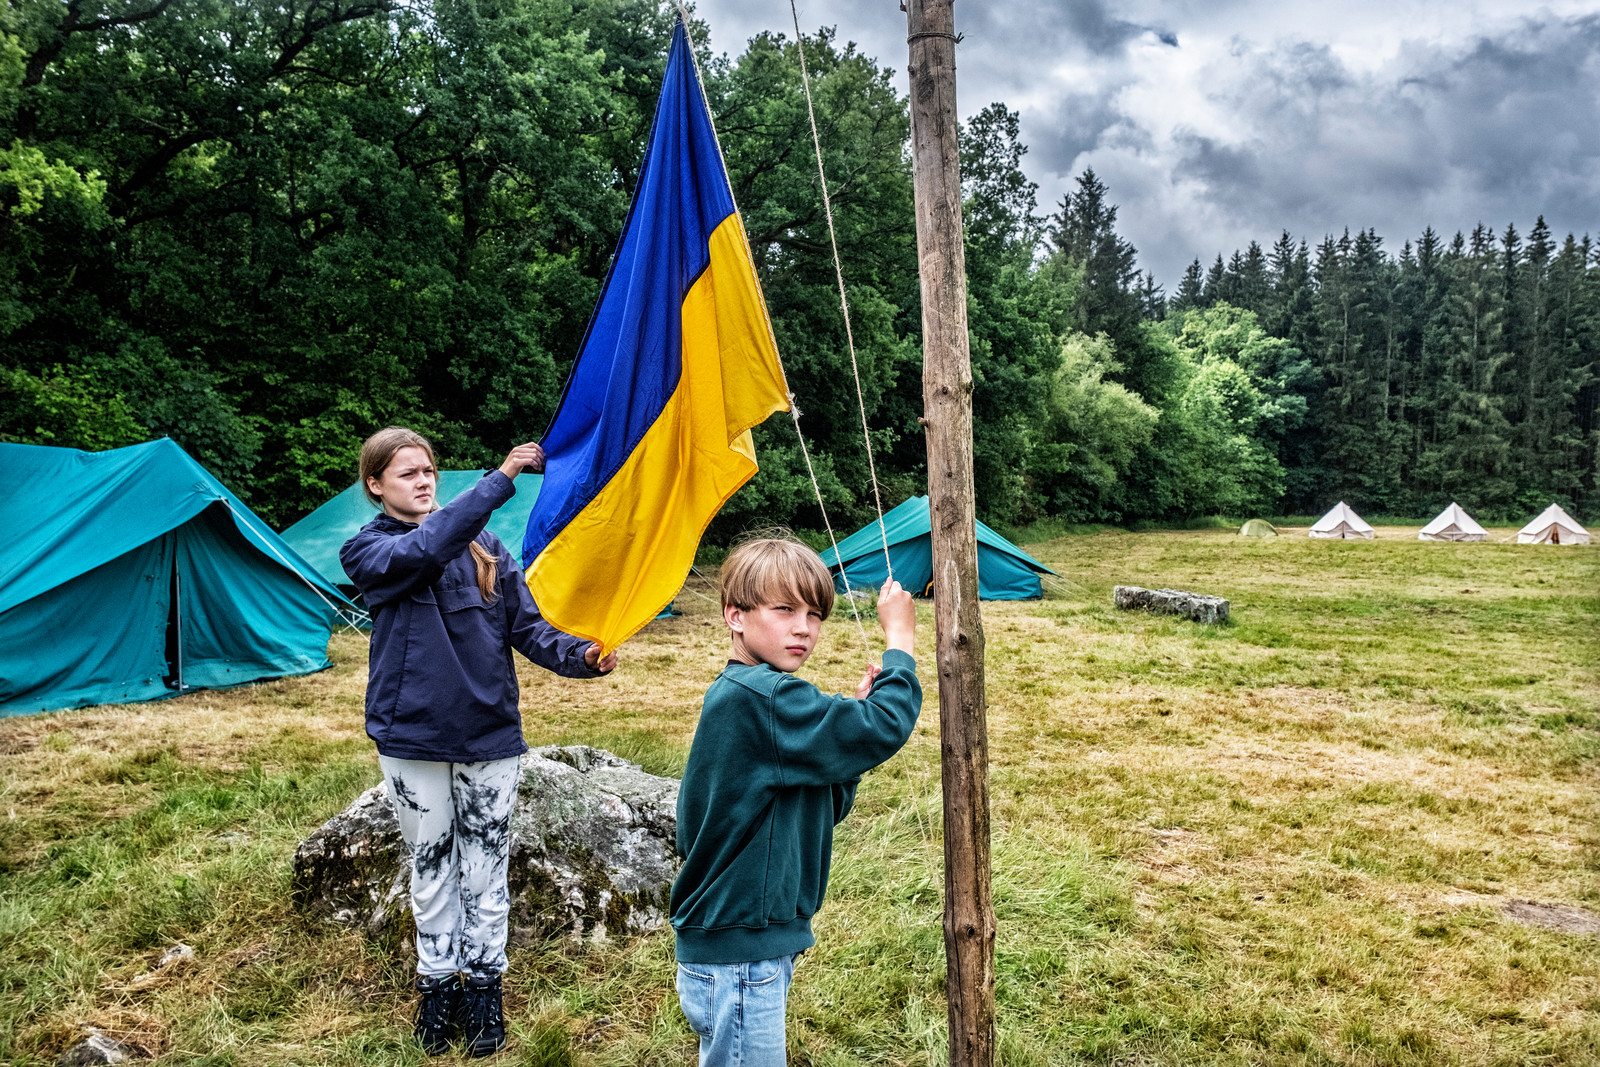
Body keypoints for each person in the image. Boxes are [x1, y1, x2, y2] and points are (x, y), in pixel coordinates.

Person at [340, 427, 618, 1058]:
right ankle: (438, 988)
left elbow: (528, 627)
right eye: (406, 472)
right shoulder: (368, 551)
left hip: (488, 733)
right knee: (433, 866)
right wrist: (499, 481)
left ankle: (485, 988)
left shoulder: (487, 547)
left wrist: (582, 656)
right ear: (375, 485)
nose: (423, 479)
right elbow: (426, 549)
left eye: (429, 469)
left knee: (486, 868)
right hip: (410, 736)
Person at [670, 536, 921, 1066]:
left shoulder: (748, 695)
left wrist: (840, 752)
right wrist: (900, 642)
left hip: (739, 943)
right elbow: (882, 727)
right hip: (740, 950)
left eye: (814, 613)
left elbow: (819, 805)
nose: (804, 627)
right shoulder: (768, 697)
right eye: (784, 609)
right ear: (734, 616)